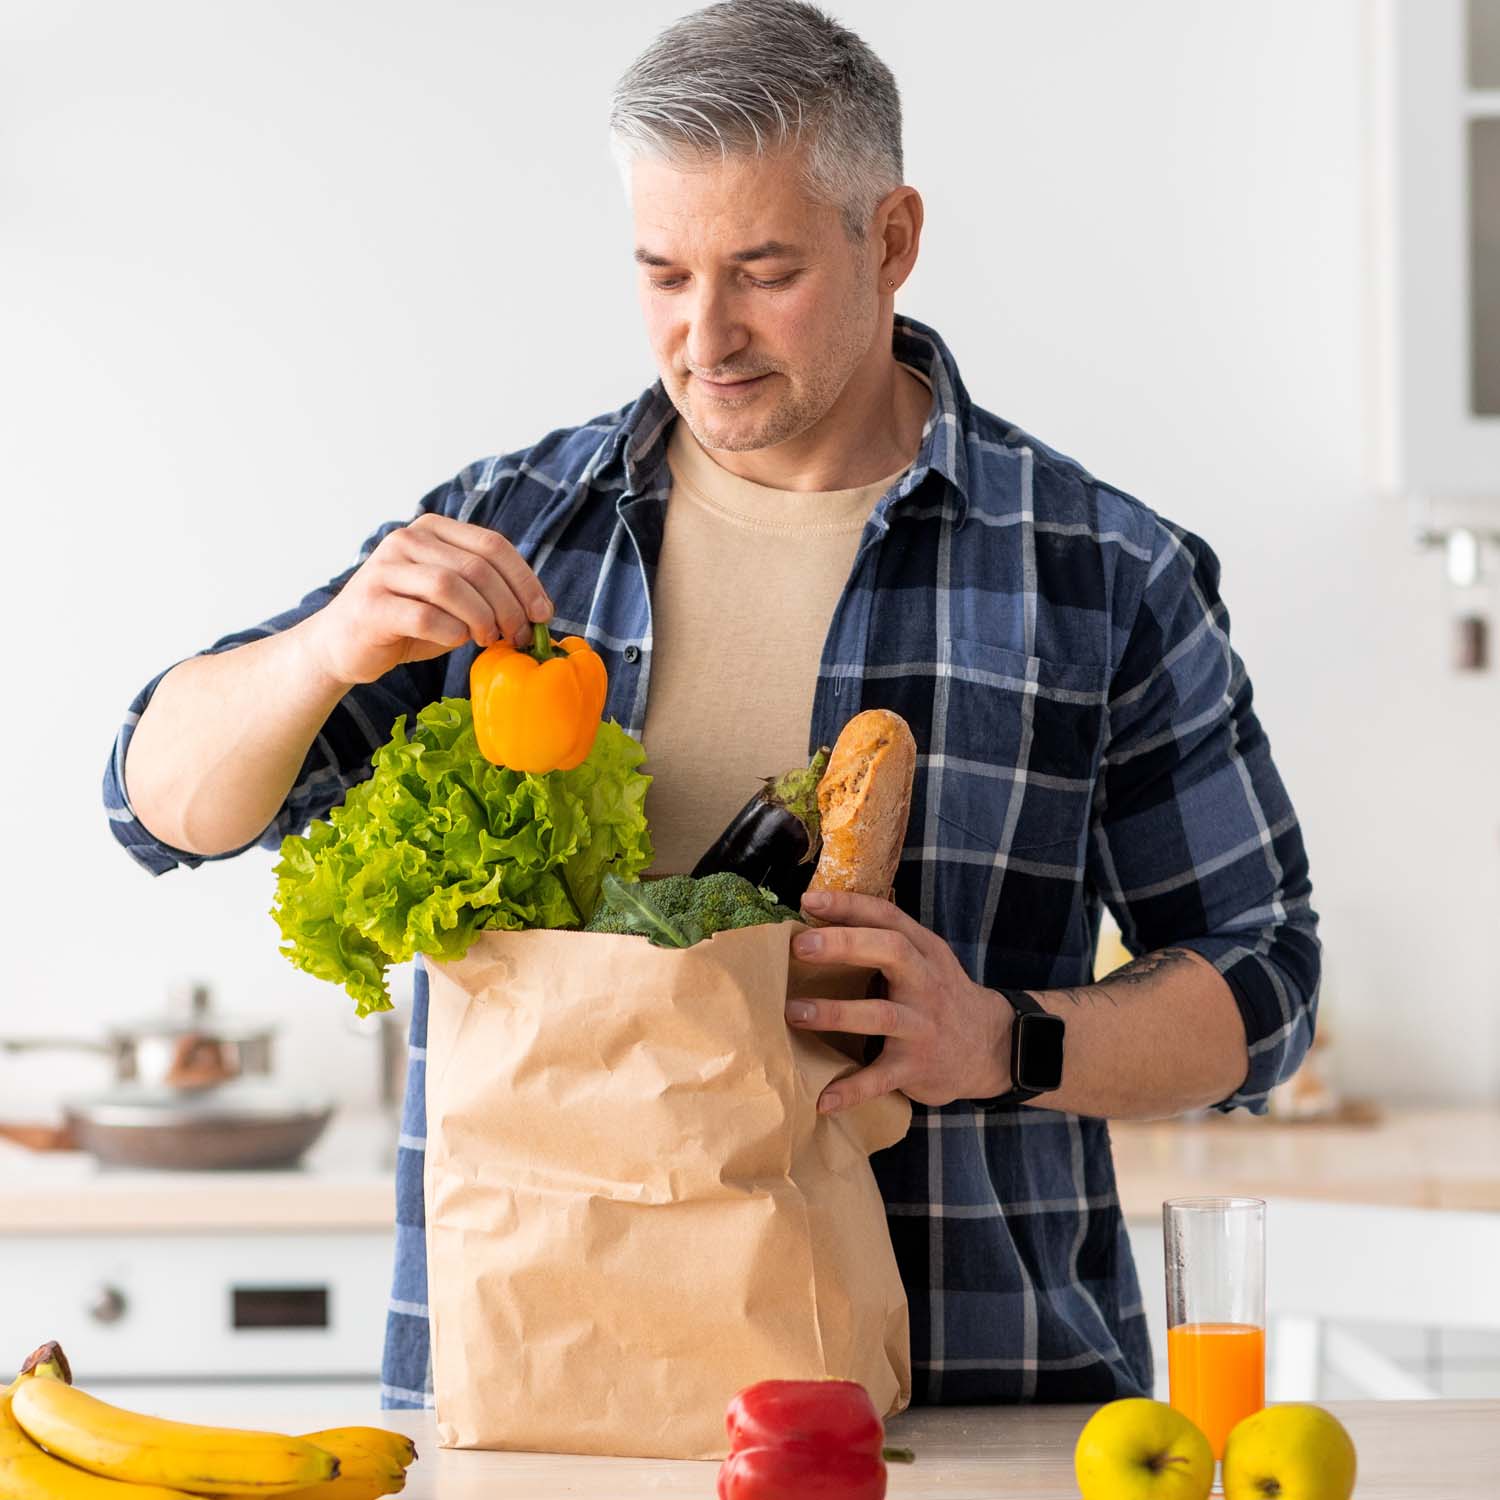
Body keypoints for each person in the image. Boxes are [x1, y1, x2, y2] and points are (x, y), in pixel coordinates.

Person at [106, 0, 1318, 1408]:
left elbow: (1263, 980)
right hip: (544, 1393)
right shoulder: (516, 535)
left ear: (893, 238)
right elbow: (158, 807)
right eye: (663, 272)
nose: (706, 333)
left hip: (968, 1395)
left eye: (764, 270)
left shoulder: (1099, 573)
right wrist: (325, 647)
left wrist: (1003, 1040)